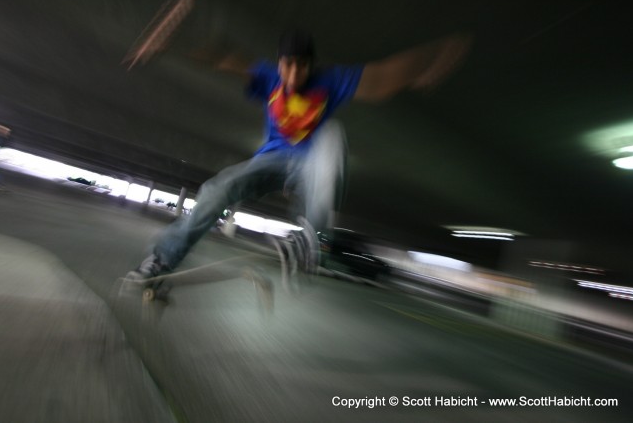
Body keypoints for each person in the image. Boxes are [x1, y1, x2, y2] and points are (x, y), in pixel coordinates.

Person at [126, 29, 472, 283]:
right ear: (280, 64)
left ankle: (312, 235)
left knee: (332, 135)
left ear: (311, 65)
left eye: (301, 68)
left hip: (310, 167)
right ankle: (161, 261)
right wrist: (172, 45)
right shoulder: (267, 75)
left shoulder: (331, 80)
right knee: (220, 186)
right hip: (270, 161)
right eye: (288, 67)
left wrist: (428, 60)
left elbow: (379, 78)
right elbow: (224, 57)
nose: (293, 76)